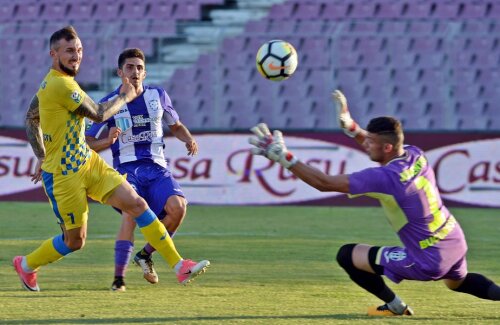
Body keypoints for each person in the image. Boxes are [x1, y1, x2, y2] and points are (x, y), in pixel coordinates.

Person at [248, 90, 500, 316]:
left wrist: (283, 157)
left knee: (347, 255)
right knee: (458, 282)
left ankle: (394, 306)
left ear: (388, 146)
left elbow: (324, 183)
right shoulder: (414, 154)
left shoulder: (385, 178)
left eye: (370, 141)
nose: (365, 143)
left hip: (427, 258)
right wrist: (352, 127)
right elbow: (378, 144)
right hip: (453, 240)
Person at [15, 26, 209, 292]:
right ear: (54, 53)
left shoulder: (58, 82)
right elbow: (97, 113)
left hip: (88, 162)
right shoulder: (59, 84)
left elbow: (31, 117)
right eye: (69, 50)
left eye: (79, 50)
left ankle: (179, 266)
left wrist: (40, 152)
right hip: (63, 174)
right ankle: (26, 265)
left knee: (138, 205)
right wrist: (125, 96)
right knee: (75, 241)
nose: (76, 55)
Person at [85, 48, 198, 291]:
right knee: (131, 213)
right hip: (127, 170)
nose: (135, 72)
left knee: (178, 208)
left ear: (144, 72)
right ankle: (119, 279)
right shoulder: (108, 103)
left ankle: (145, 255)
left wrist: (187, 138)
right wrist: (107, 142)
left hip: (157, 168)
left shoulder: (158, 95)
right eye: (129, 67)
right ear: (119, 72)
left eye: (139, 68)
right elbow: (87, 143)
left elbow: (176, 126)